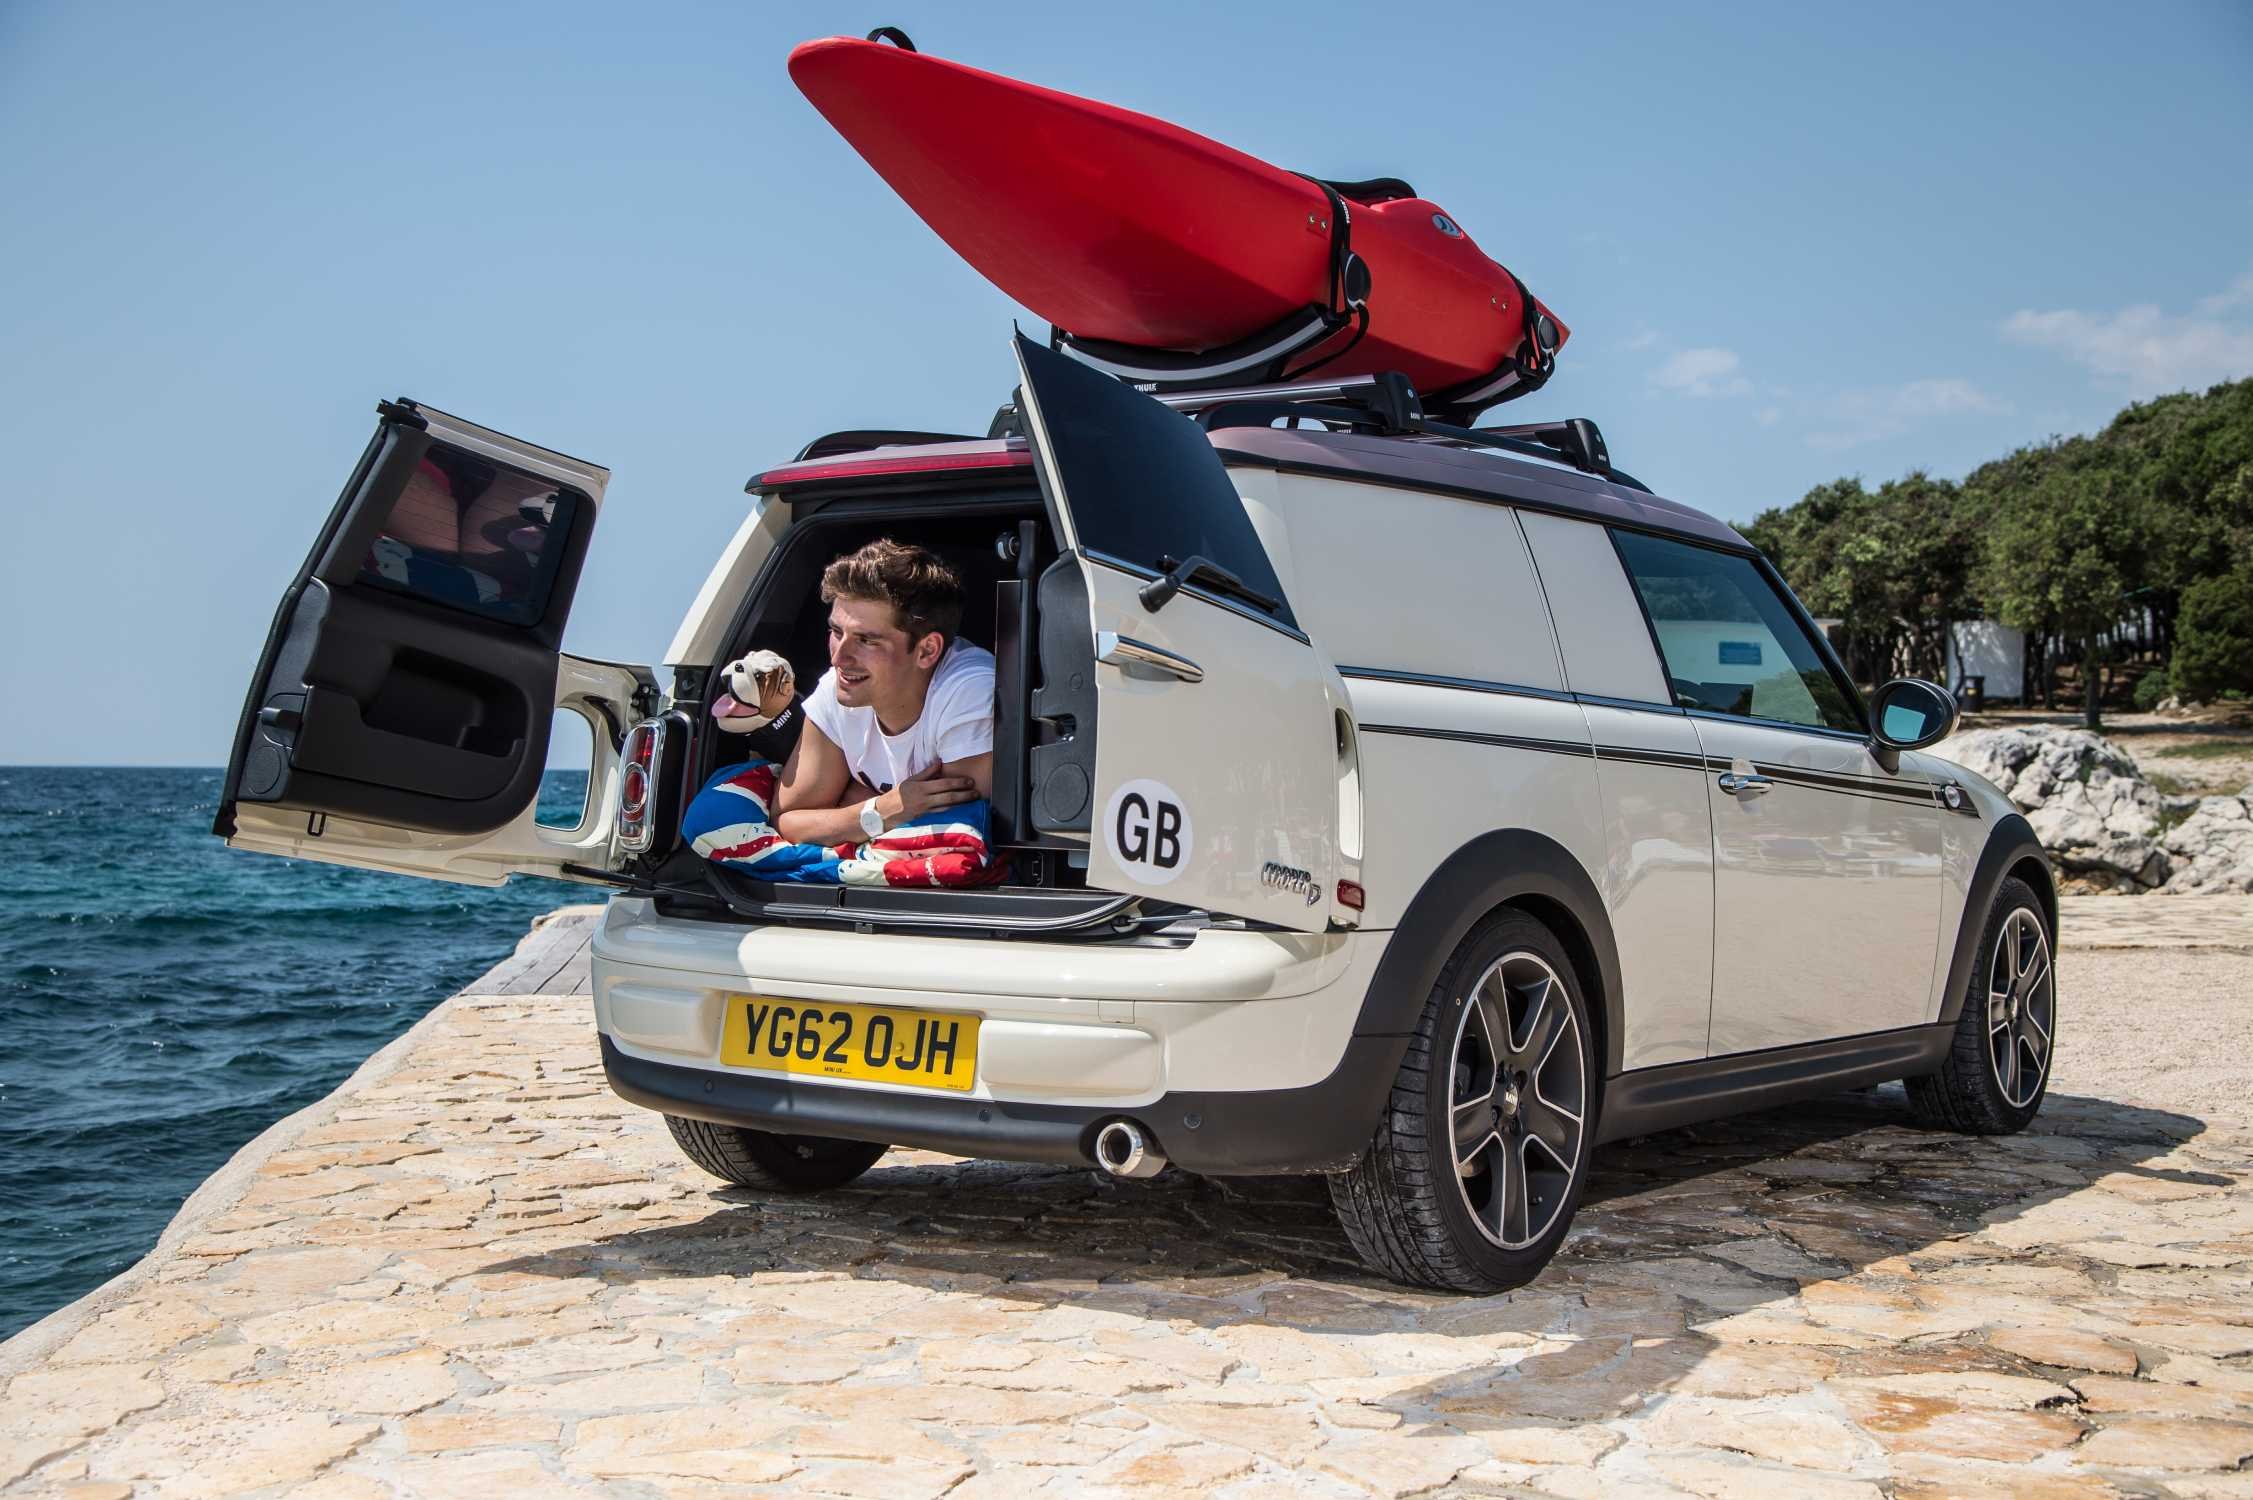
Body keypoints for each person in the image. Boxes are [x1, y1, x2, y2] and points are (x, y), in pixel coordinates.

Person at [770, 539, 993, 846]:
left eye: (867, 640)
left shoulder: (967, 690)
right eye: (837, 632)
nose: (838, 658)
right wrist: (882, 809)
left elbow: (960, 836)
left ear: (927, 650)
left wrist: (848, 804)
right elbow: (788, 821)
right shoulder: (841, 685)